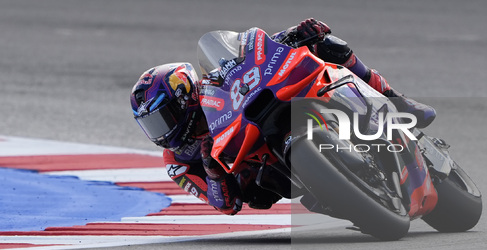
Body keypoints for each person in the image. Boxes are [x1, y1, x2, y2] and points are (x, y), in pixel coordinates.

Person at [130, 19, 436, 216]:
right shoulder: (177, 160)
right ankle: (340, 190)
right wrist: (212, 171)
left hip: (263, 112)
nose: (162, 132)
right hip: (262, 172)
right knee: (263, 190)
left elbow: (253, 55)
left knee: (323, 44)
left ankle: (395, 98)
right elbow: (225, 205)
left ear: (184, 98)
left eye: (163, 118)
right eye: (151, 125)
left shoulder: (212, 84)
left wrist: (294, 35)